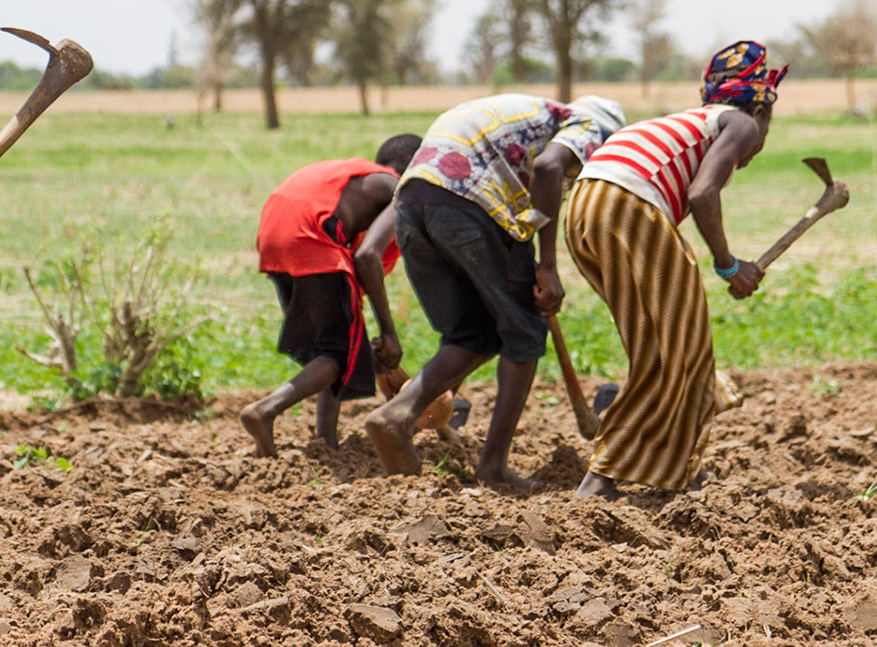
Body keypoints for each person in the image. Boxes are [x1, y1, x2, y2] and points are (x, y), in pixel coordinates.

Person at [365, 92, 625, 489]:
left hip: (415, 202)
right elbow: (551, 169)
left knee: (474, 336)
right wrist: (548, 265)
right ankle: (493, 466)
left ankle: (396, 415)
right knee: (524, 333)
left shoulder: (535, 114)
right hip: (471, 197)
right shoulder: (591, 124)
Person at [564, 41, 785, 500]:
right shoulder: (740, 122)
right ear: (761, 108)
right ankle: (601, 478)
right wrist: (728, 267)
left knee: (666, 349)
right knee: (676, 353)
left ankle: (678, 466)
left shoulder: (686, 122)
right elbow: (704, 193)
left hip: (584, 209)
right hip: (629, 206)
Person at [242, 134, 422, 455]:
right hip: (311, 235)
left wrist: (366, 344)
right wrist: (389, 333)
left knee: (336, 346)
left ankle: (326, 440)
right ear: (415, 166)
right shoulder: (400, 189)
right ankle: (265, 410)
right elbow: (367, 258)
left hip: (274, 235)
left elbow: (353, 273)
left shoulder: (355, 179)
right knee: (338, 353)